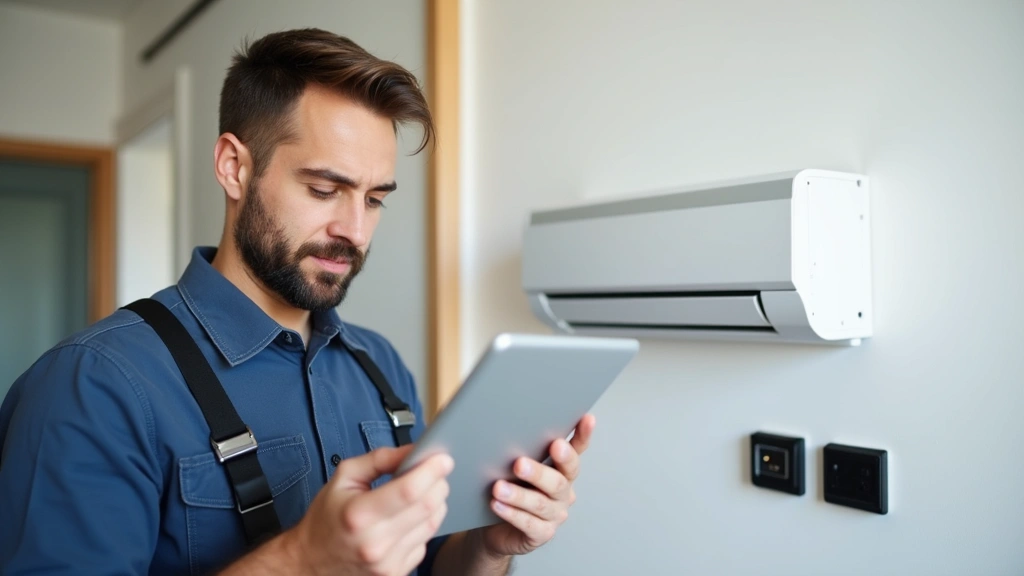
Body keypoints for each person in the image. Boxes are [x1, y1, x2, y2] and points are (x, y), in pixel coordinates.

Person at [0, 28, 596, 576]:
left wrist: (488, 546)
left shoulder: (380, 368)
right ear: (234, 167)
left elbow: (436, 565)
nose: (355, 230)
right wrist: (302, 559)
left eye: (375, 199)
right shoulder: (93, 385)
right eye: (323, 189)